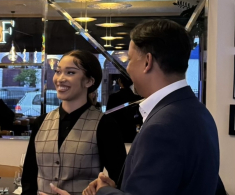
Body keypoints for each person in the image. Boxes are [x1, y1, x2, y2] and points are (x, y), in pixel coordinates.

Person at [81, 19, 220, 195]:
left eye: (130, 60)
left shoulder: (162, 127)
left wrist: (103, 191)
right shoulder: (199, 112)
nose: (128, 69)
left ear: (147, 62)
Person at [22, 50, 126, 195]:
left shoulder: (105, 124)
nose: (60, 78)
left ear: (89, 81)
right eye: (58, 71)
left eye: (70, 73)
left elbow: (121, 180)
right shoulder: (41, 122)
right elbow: (29, 178)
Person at [106, 75, 143, 143]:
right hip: (132, 133)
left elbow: (108, 116)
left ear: (119, 81)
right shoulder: (137, 98)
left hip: (117, 133)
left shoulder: (113, 97)